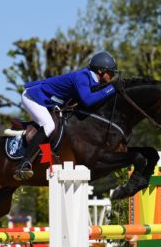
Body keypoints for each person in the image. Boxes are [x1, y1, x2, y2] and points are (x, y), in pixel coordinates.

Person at [13, 51, 119, 181]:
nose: (112, 76)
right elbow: (88, 101)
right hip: (33, 97)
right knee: (49, 126)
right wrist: (111, 89)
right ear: (101, 71)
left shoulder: (92, 80)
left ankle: (48, 155)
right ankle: (24, 163)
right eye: (111, 73)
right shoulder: (82, 76)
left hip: (49, 101)